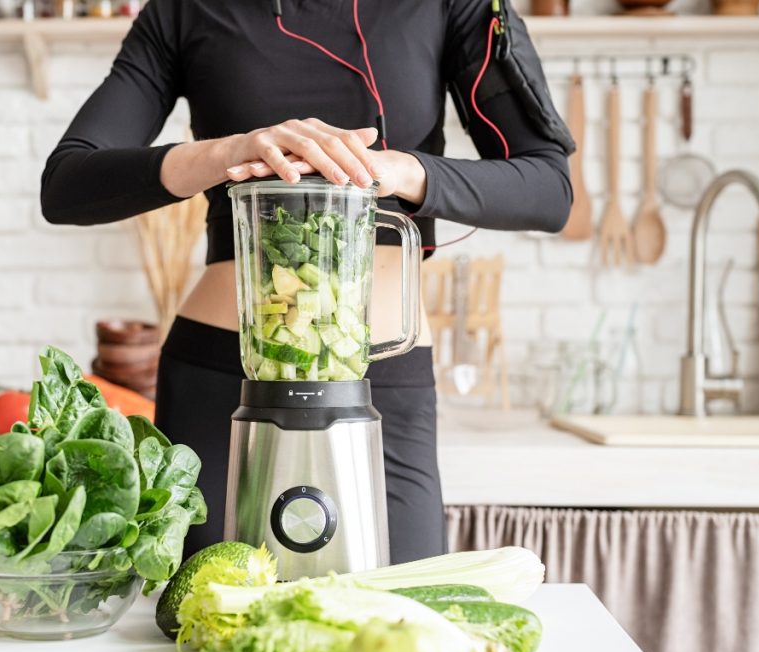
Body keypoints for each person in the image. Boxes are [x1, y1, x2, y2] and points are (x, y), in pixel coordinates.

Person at [41, 0, 573, 563]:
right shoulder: (184, 9)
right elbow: (68, 183)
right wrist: (230, 152)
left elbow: (549, 187)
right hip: (222, 377)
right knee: (203, 627)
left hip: (384, 378)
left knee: (398, 623)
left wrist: (402, 171)